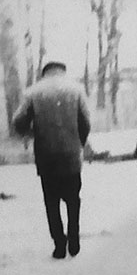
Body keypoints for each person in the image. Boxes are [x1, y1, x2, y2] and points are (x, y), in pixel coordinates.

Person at [12, 61, 91, 259]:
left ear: (44, 73)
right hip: (71, 155)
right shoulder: (77, 89)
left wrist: (32, 133)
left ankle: (59, 244)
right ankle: (74, 239)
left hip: (46, 156)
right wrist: (78, 142)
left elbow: (18, 121)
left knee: (51, 201)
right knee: (74, 200)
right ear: (63, 71)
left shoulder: (33, 92)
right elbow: (86, 122)